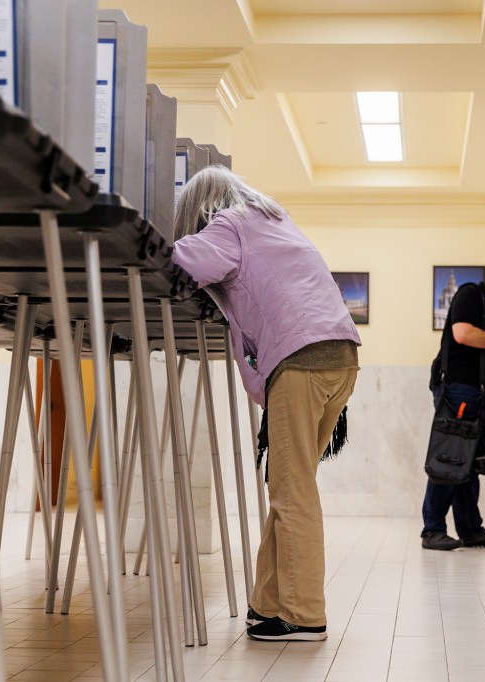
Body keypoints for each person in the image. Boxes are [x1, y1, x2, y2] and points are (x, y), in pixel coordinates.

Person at [172, 166, 361, 641]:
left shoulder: (229, 225)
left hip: (301, 361)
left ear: (200, 206)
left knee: (291, 491)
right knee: (289, 483)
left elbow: (184, 263)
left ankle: (304, 614)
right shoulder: (276, 221)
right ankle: (269, 602)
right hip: (340, 356)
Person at [421, 264, 485, 551]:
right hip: (458, 388)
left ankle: (470, 529)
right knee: (450, 457)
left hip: (478, 388)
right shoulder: (470, 294)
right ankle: (433, 530)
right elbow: (463, 334)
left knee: (471, 461)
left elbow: (480, 349)